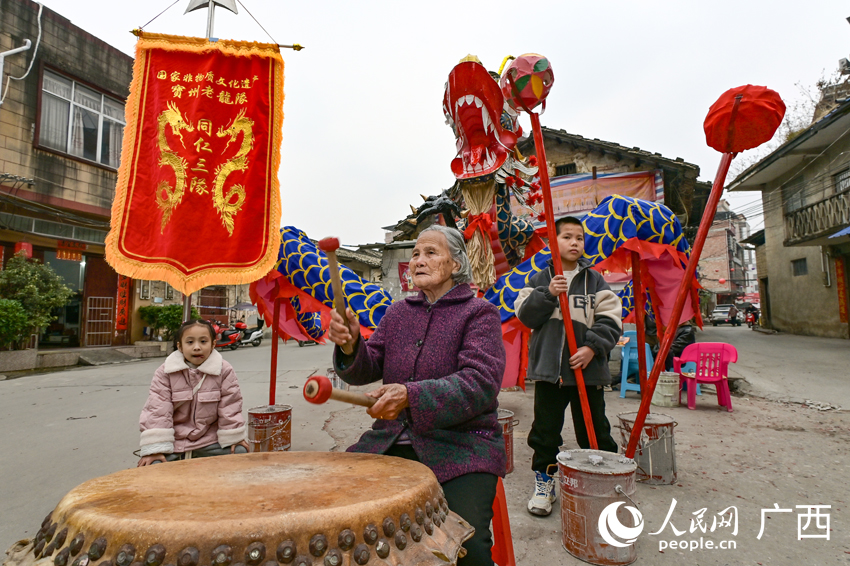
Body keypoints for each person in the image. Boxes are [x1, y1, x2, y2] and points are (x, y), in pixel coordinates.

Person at [328, 225, 506, 566]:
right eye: (414, 254)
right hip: (390, 441)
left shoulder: (479, 313)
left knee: (464, 546)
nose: (418, 261)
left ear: (456, 264)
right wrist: (351, 345)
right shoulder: (398, 314)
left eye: (431, 253)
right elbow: (369, 366)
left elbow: (480, 383)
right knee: (341, 522)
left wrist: (411, 395)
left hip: (462, 446)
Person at [515, 216, 622, 517]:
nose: (574, 242)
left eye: (579, 237)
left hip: (586, 374)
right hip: (550, 373)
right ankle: (544, 482)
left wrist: (592, 347)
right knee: (545, 432)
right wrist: (548, 294)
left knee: (595, 431)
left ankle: (600, 483)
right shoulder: (538, 279)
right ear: (554, 242)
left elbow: (611, 319)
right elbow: (526, 316)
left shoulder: (595, 280)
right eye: (567, 237)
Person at [137, 319, 249, 466]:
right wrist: (156, 449)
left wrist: (234, 437)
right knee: (152, 465)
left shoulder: (225, 371)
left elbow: (230, 408)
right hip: (175, 444)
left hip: (210, 442)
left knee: (240, 452)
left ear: (213, 344)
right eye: (190, 342)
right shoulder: (165, 373)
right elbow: (158, 411)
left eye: (203, 341)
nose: (197, 347)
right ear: (180, 346)